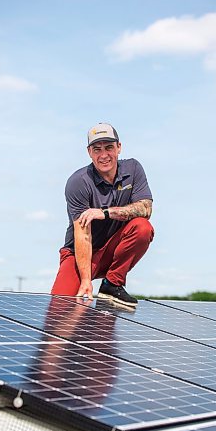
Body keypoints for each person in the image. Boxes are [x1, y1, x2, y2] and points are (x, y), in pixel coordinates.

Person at [50, 122, 154, 306]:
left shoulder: (133, 169)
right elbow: (82, 234)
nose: (104, 155)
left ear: (119, 147)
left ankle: (112, 284)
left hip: (113, 250)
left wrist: (104, 213)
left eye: (109, 147)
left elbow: (146, 208)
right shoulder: (79, 182)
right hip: (79, 254)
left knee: (142, 228)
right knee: (59, 309)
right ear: (89, 152)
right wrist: (85, 279)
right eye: (97, 149)